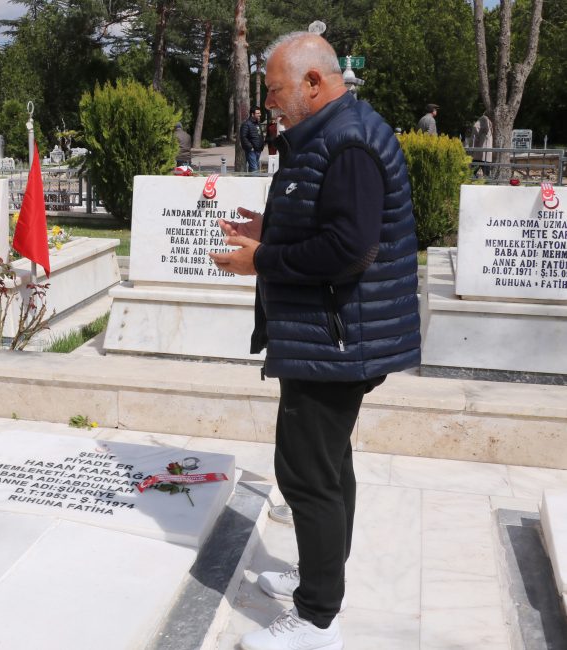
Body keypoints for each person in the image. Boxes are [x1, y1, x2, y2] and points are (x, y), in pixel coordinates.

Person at [209, 31, 420, 650]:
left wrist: (263, 258)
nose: (268, 101)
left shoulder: (347, 139)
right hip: (333, 334)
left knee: (305, 474)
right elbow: (330, 219)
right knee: (329, 466)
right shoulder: (328, 133)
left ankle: (317, 618)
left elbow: (350, 249)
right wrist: (269, 225)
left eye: (274, 88)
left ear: (312, 82)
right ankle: (320, 570)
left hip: (337, 339)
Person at [240, 106, 265, 172]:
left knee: (253, 168)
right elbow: (243, 137)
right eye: (258, 113)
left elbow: (260, 135)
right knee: (254, 169)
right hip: (251, 151)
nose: (260, 114)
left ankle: (250, 181)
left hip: (258, 150)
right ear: (252, 114)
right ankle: (256, 182)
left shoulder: (258, 124)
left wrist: (262, 145)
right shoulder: (246, 124)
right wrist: (250, 147)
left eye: (260, 113)